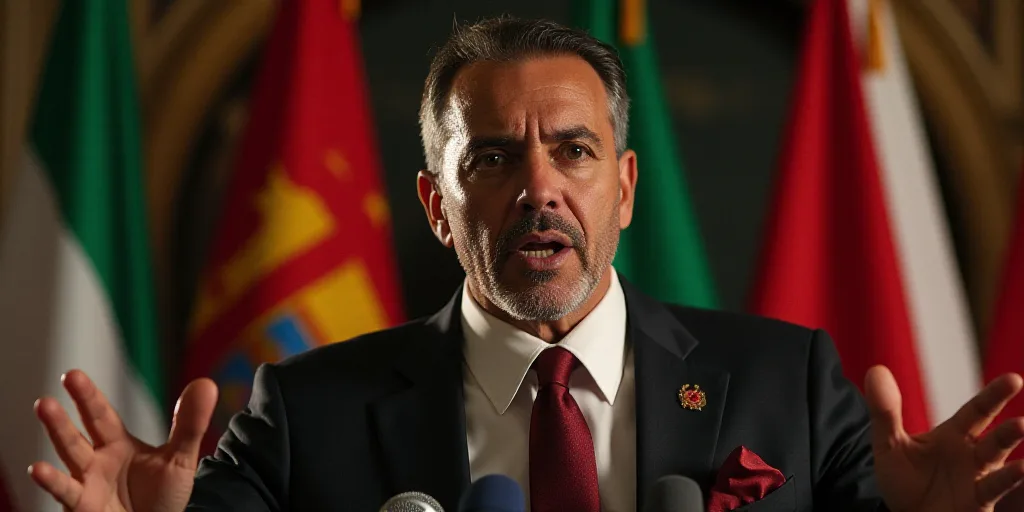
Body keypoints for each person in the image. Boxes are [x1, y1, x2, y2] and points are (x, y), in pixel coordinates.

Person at [26, 16, 1024, 512]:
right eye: (493, 157)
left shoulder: (788, 386)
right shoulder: (303, 415)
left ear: (624, 189)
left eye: (574, 150)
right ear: (437, 205)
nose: (538, 187)